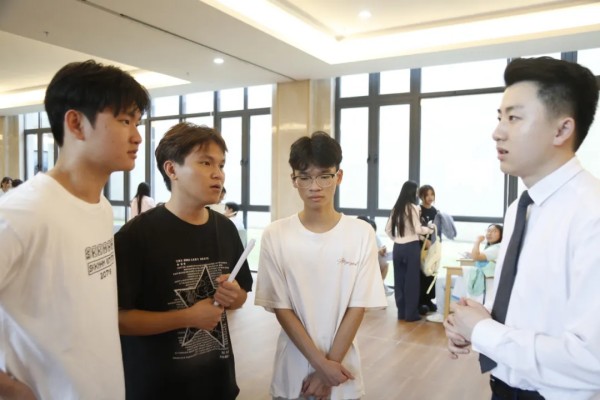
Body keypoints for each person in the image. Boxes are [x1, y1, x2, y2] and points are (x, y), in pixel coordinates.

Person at [444, 57, 600, 399]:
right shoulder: (520, 208)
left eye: (514, 118)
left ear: (562, 130)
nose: (497, 132)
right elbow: (527, 310)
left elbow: (592, 360)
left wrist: (483, 331)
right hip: (502, 387)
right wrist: (476, 327)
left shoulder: (592, 214)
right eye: (500, 117)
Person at [0, 60, 150, 399]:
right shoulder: (22, 212)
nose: (137, 136)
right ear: (76, 123)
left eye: (137, 122)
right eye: (125, 121)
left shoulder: (102, 207)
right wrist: (11, 390)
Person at [115, 122, 253, 399]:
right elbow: (119, 319)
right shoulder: (136, 235)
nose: (218, 174)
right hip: (157, 388)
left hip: (217, 384)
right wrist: (187, 317)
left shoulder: (225, 229)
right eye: (205, 162)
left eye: (221, 165)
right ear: (172, 169)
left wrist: (233, 295)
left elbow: (239, 298)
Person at [255, 131, 387, 400]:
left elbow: (357, 307)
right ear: (294, 180)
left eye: (324, 176)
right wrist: (323, 366)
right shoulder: (275, 235)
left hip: (342, 374)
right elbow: (282, 308)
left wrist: (327, 371)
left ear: (339, 176)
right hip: (293, 373)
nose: (314, 186)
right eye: (305, 177)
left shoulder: (361, 234)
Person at [426, 224, 503, 323]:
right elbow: (479, 258)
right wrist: (471, 255)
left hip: (483, 282)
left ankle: (441, 314)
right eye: (488, 231)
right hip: (480, 279)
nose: (489, 233)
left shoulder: (497, 248)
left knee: (442, 281)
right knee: (441, 281)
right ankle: (443, 312)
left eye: (494, 231)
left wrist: (477, 241)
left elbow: (476, 256)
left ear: (502, 235)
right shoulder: (492, 247)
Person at [385, 180, 434, 322]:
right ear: (412, 193)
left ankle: (401, 313)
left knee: (399, 281)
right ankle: (411, 314)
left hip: (398, 247)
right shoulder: (413, 207)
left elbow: (387, 229)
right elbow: (418, 229)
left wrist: (397, 239)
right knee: (412, 282)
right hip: (411, 248)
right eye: (416, 192)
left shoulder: (396, 208)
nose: (417, 195)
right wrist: (429, 229)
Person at [357, 215, 394, 296]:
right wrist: (377, 251)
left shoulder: (373, 235)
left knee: (385, 264)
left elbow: (381, 246)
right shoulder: (356, 236)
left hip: (372, 261)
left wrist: (382, 250)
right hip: (361, 262)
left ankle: (378, 287)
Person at [418, 184, 438, 314]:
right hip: (420, 246)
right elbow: (414, 229)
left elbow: (436, 229)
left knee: (431, 272)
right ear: (421, 196)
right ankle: (420, 302)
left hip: (432, 246)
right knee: (421, 273)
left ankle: (428, 300)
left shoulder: (434, 211)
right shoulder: (418, 210)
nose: (430, 197)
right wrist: (424, 241)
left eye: (432, 194)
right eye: (427, 195)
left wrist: (435, 243)